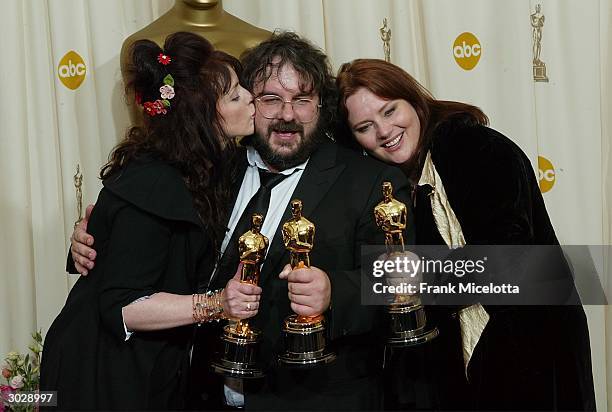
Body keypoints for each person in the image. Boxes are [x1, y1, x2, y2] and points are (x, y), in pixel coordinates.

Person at [68, 32, 410, 410]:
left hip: (312, 399)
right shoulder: (206, 171)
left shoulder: (370, 182)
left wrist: (335, 292)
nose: (286, 114)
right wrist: (94, 238)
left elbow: (404, 279)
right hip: (196, 395)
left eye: (301, 100)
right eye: (270, 99)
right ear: (248, 103)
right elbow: (152, 243)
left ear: (321, 106)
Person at [336, 58, 596, 411]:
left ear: (413, 100)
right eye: (365, 126)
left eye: (390, 110)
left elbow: (507, 257)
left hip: (532, 345)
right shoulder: (399, 181)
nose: (383, 131)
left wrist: (409, 280)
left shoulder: (472, 147)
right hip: (483, 358)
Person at [41, 32, 261, 410]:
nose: (251, 99)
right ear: (202, 116)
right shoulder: (153, 182)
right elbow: (123, 306)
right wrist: (217, 305)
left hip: (150, 366)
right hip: (100, 372)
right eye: (235, 95)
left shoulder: (211, 171)